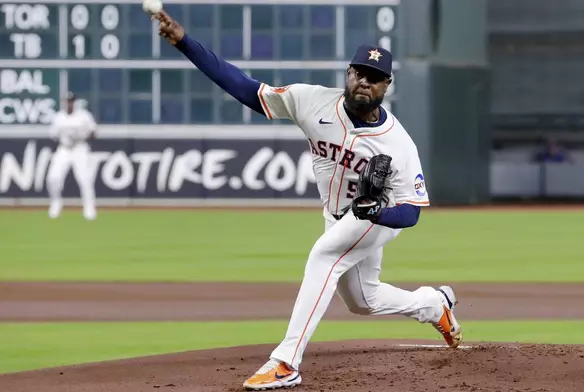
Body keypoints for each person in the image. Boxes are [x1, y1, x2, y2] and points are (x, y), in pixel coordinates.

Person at [153, 10, 462, 390]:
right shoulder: (311, 102)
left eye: (376, 78)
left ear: (388, 86)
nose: (366, 82)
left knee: (323, 255)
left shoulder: (398, 143)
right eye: (360, 73)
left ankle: (286, 361)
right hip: (337, 216)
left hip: (374, 218)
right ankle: (434, 305)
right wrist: (186, 43)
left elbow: (412, 212)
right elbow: (245, 88)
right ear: (348, 74)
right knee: (363, 300)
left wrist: (380, 211)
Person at [46, 92, 98, 220]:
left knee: (85, 179)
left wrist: (83, 135)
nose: (69, 103)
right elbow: (53, 135)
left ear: (75, 102)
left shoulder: (84, 116)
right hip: (64, 149)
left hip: (80, 148)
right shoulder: (59, 117)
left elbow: (94, 133)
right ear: (64, 102)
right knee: (53, 178)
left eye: (71, 101)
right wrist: (65, 138)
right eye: (67, 101)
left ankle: (89, 207)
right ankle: (56, 203)